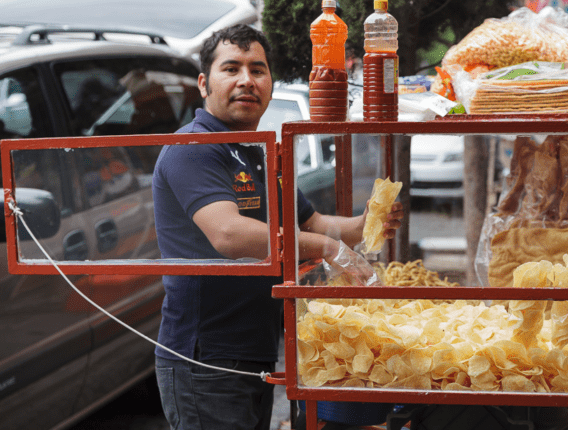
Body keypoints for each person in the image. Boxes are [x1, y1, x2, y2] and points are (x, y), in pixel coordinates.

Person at [151, 24, 403, 430]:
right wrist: (327, 248)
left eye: (258, 69)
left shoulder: (257, 150)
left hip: (254, 349)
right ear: (204, 83)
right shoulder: (194, 149)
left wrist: (364, 223)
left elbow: (312, 223)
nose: (246, 81)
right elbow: (229, 235)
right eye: (231, 69)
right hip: (206, 358)